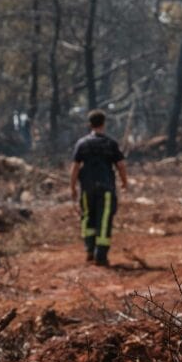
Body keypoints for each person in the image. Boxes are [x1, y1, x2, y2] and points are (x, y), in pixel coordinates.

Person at [69, 109, 128, 266]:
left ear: (90, 124)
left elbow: (75, 167)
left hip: (87, 188)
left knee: (88, 217)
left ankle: (90, 250)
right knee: (104, 220)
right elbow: (121, 165)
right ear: (103, 124)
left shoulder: (82, 144)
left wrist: (73, 187)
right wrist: (124, 182)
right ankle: (100, 255)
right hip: (106, 188)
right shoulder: (111, 143)